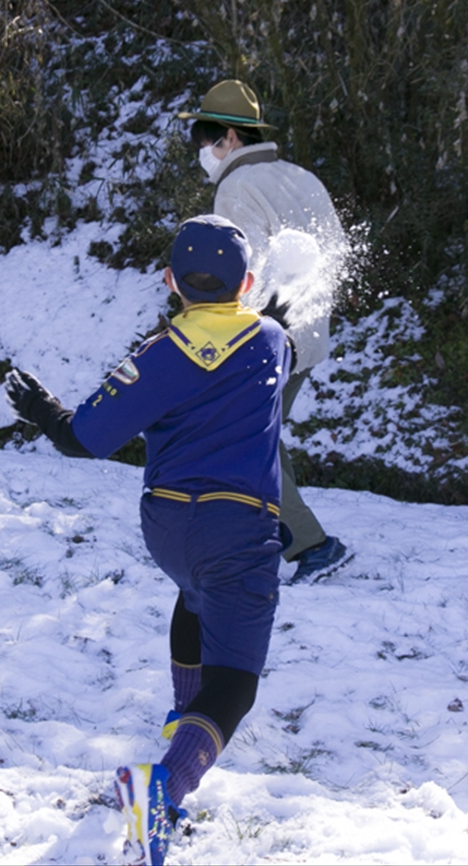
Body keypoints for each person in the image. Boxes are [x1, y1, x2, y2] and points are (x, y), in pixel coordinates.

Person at [4, 215, 292, 866]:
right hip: (237, 528)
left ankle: (178, 724)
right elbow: (263, 340)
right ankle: (162, 788)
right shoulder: (270, 339)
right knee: (236, 685)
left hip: (166, 524)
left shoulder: (158, 353)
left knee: (194, 597)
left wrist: (43, 408)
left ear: (170, 282)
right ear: (246, 283)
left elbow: (84, 438)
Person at [178, 80, 350, 584]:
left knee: (248, 440)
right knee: (260, 436)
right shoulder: (301, 177)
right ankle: (274, 535)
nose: (201, 150)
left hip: (267, 338)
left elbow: (240, 275)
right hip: (306, 334)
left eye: (203, 136)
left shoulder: (236, 188)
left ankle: (312, 546)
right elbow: (337, 253)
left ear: (229, 137)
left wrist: (225, 337)